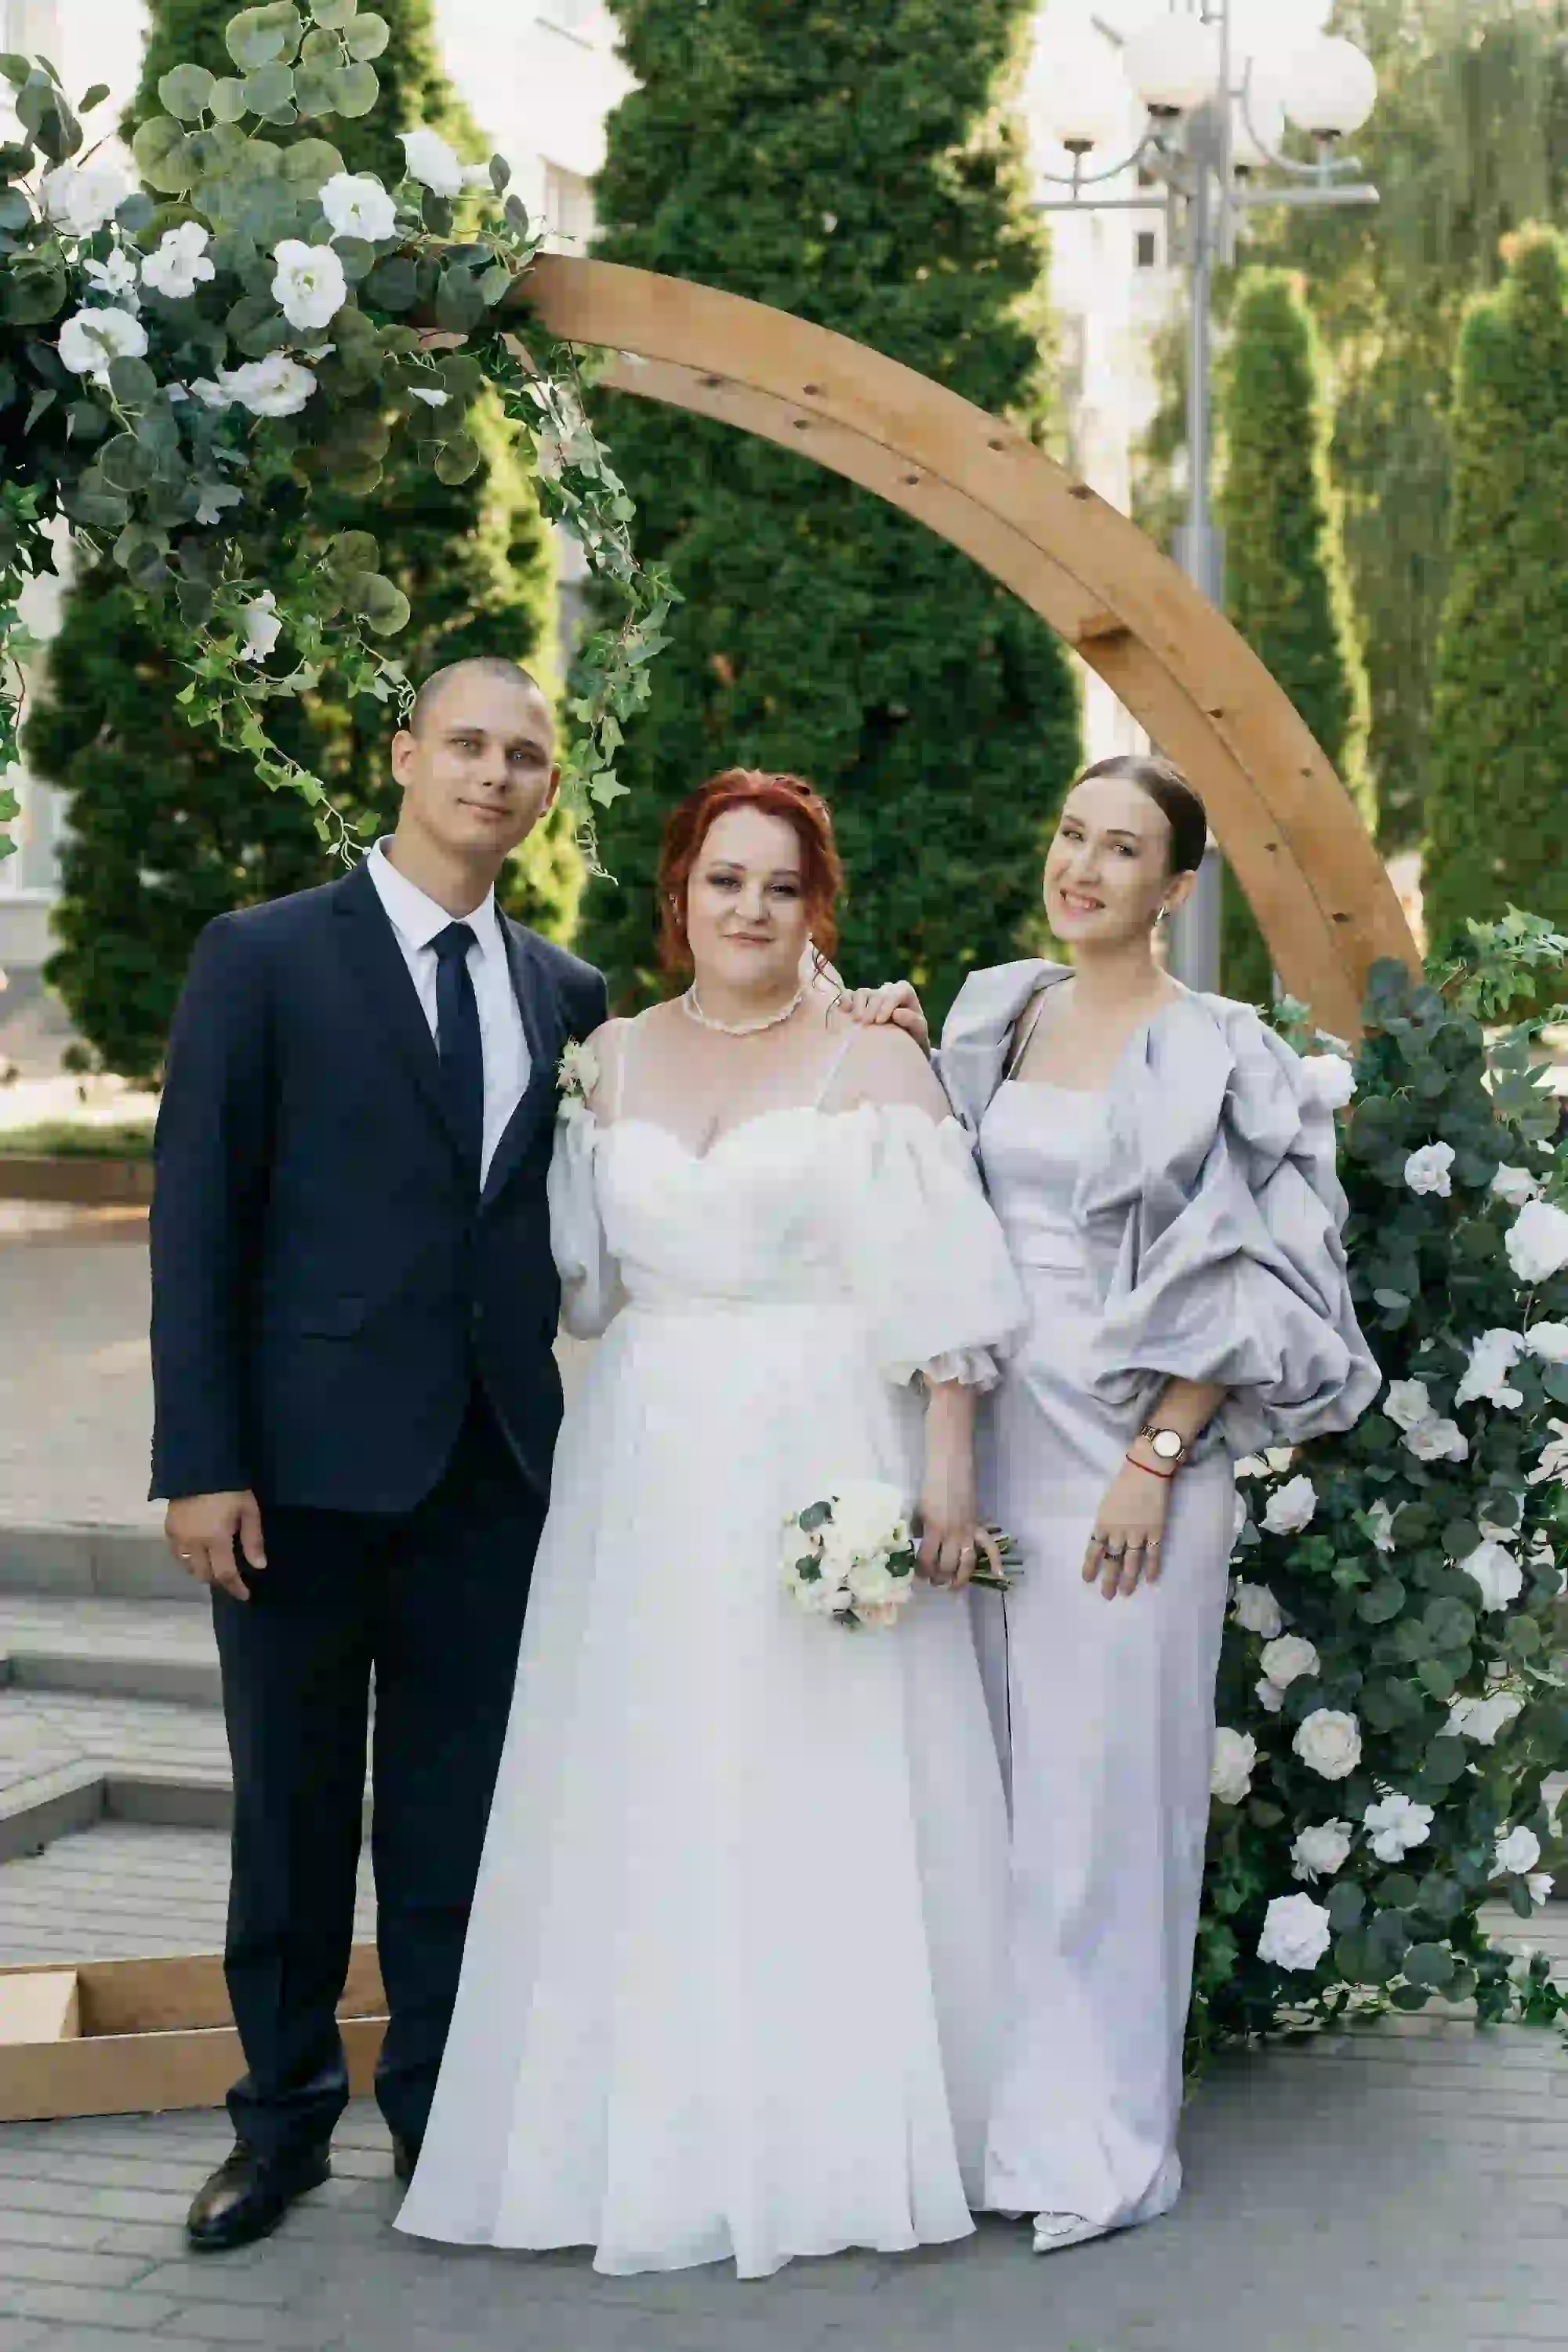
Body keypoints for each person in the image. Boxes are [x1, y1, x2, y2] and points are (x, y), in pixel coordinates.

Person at [395, 768, 1028, 2278]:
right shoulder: (606, 1056)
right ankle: (648, 2129)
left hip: (822, 1438)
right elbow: (584, 1285)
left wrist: (945, 1473)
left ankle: (832, 2129)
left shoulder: (874, 1058)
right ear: (677, 890)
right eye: (724, 879)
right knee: (653, 1764)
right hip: (648, 1459)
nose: (751, 908)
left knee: (815, 1765)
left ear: (818, 908)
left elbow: (939, 1277)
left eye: (782, 887)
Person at [846, 753, 1379, 2255]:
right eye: (1073, 833)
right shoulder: (999, 1014)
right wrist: (881, 1039)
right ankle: (996, 2118)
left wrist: (1159, 1454)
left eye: (1124, 848)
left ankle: (1099, 2139)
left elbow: (1261, 1271)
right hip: (987, 1443)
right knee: (992, 1791)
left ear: (1176, 887)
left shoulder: (1219, 1049)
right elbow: (936, 1190)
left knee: (1109, 1803)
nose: (1082, 866)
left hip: (1138, 1458)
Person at [151, 658, 607, 2252]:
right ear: (403, 755)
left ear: (547, 790)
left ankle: (439, 2123)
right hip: (292, 1477)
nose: (494, 774)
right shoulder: (265, 956)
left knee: (451, 1824)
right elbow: (199, 1218)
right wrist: (199, 1459)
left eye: (524, 755)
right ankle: (276, 2128)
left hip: (490, 1472)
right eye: (467, 743)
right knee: (288, 1818)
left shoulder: (569, 994)